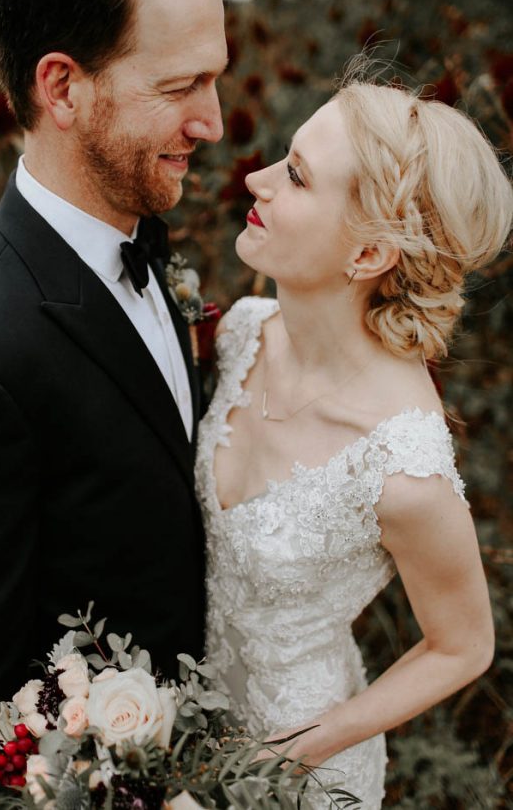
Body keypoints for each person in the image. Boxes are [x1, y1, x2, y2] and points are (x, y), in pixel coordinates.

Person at [0, 0, 230, 791]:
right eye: (180, 86)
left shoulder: (145, 243)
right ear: (63, 88)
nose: (211, 121)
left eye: (218, 79)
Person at [196, 74, 513, 807]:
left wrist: (317, 742)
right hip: (183, 719)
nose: (256, 177)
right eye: (285, 156)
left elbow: (465, 644)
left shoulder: (402, 467)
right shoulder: (245, 332)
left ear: (369, 256)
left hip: (298, 773)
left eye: (297, 176)